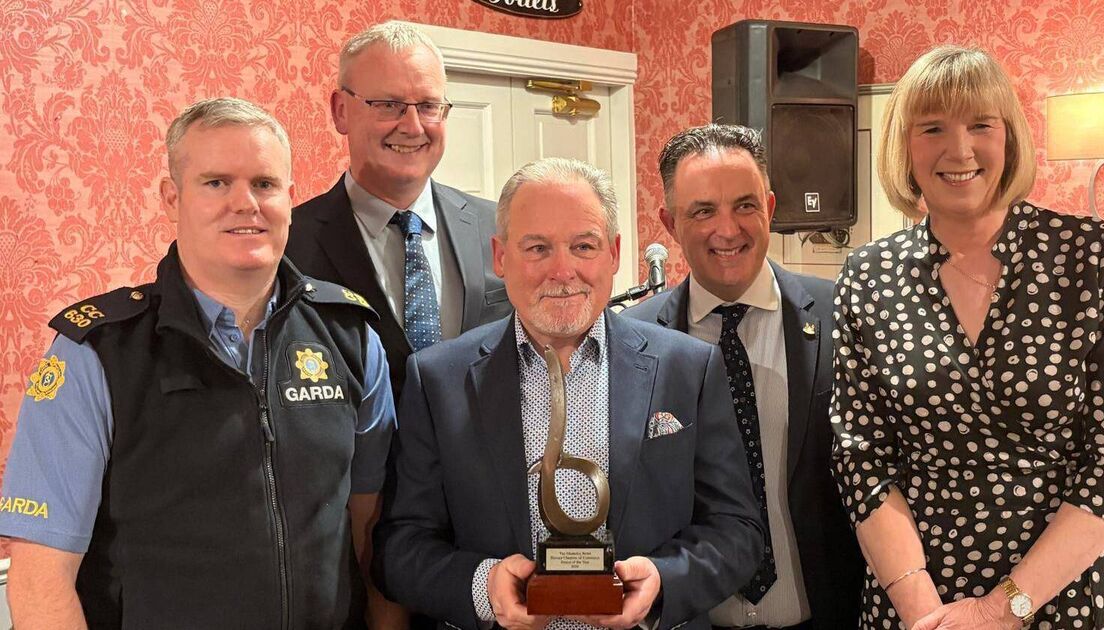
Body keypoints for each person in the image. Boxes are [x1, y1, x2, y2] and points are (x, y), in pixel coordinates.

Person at [0, 97, 396, 629]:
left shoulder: (351, 336)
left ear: (289, 197)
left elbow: (370, 526)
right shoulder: (98, 352)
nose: (245, 203)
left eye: (264, 184)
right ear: (172, 197)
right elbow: (40, 577)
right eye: (216, 183)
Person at [832, 45, 1104, 629]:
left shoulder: (1090, 256)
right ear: (904, 146)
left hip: (1065, 599)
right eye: (933, 128)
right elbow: (863, 461)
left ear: (1009, 138)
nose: (959, 150)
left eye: (980, 124)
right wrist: (926, 615)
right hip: (916, 603)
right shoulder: (867, 275)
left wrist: (998, 611)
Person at [372, 157, 764, 630]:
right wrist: (483, 586)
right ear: (500, 256)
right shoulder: (438, 379)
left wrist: (662, 581)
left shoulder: (690, 368)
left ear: (614, 253)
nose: (563, 270)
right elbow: (399, 548)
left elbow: (739, 532)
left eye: (584, 246)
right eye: (537, 248)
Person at [623, 123, 863, 630]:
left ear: (770, 208)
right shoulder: (632, 342)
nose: (728, 229)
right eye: (703, 211)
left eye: (745, 205)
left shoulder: (843, 314)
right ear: (670, 222)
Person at [287, 20, 511, 398]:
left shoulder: (498, 226)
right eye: (388, 105)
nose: (412, 126)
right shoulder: (288, 244)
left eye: (428, 106)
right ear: (341, 111)